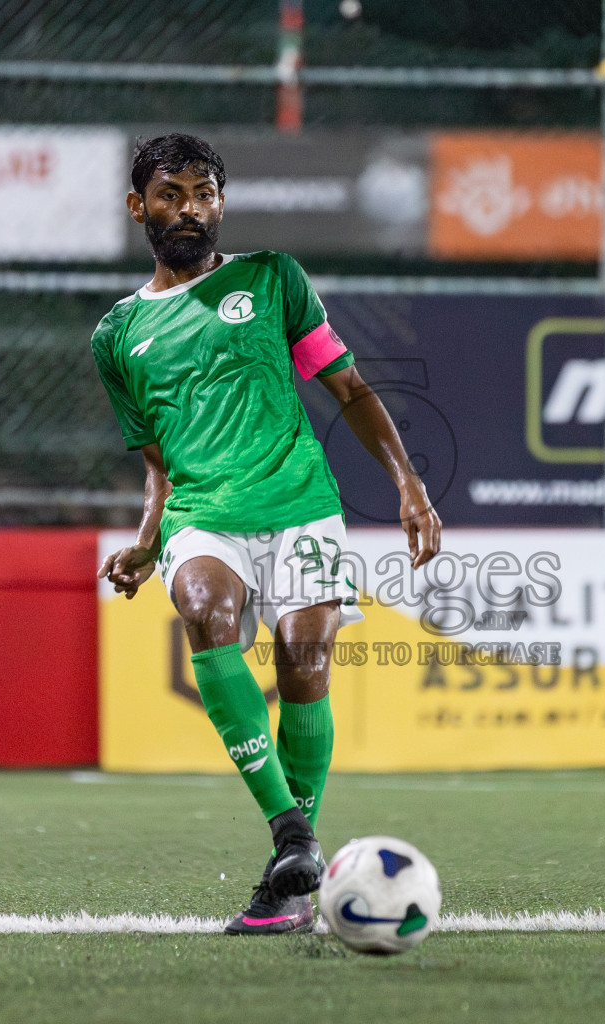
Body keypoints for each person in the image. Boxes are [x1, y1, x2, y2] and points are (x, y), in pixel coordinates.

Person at [92, 134, 442, 935]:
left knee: (305, 657)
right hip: (202, 514)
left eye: (206, 193)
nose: (191, 208)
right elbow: (157, 466)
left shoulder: (274, 278)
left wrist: (408, 484)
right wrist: (150, 542)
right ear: (137, 207)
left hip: (298, 500)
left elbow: (347, 387)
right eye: (172, 194)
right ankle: (294, 835)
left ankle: (290, 877)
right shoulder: (116, 335)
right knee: (209, 609)